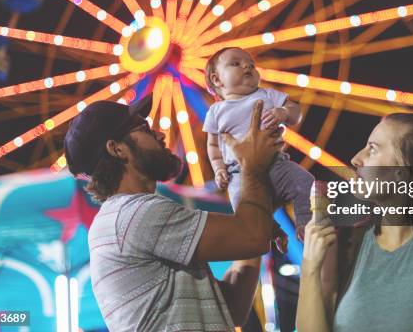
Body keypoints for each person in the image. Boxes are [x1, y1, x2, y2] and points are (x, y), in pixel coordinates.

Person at [64, 98, 282, 331]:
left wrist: (261, 215)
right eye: (145, 129)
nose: (160, 135)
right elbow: (251, 236)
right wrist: (250, 163)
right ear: (117, 148)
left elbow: (233, 307)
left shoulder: (121, 219)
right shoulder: (136, 216)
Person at [296, 113, 413, 332]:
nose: (356, 159)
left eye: (373, 149)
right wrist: (310, 266)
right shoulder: (342, 245)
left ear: (405, 169)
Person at [203, 47, 314, 245]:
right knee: (243, 212)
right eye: (236, 63)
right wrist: (219, 168)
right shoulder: (215, 111)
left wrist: (283, 112)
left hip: (276, 165)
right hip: (239, 174)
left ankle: (305, 223)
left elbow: (295, 111)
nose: (247, 66)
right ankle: (272, 231)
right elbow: (213, 146)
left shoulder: (267, 95)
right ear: (217, 79)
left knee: (306, 183)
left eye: (251, 65)